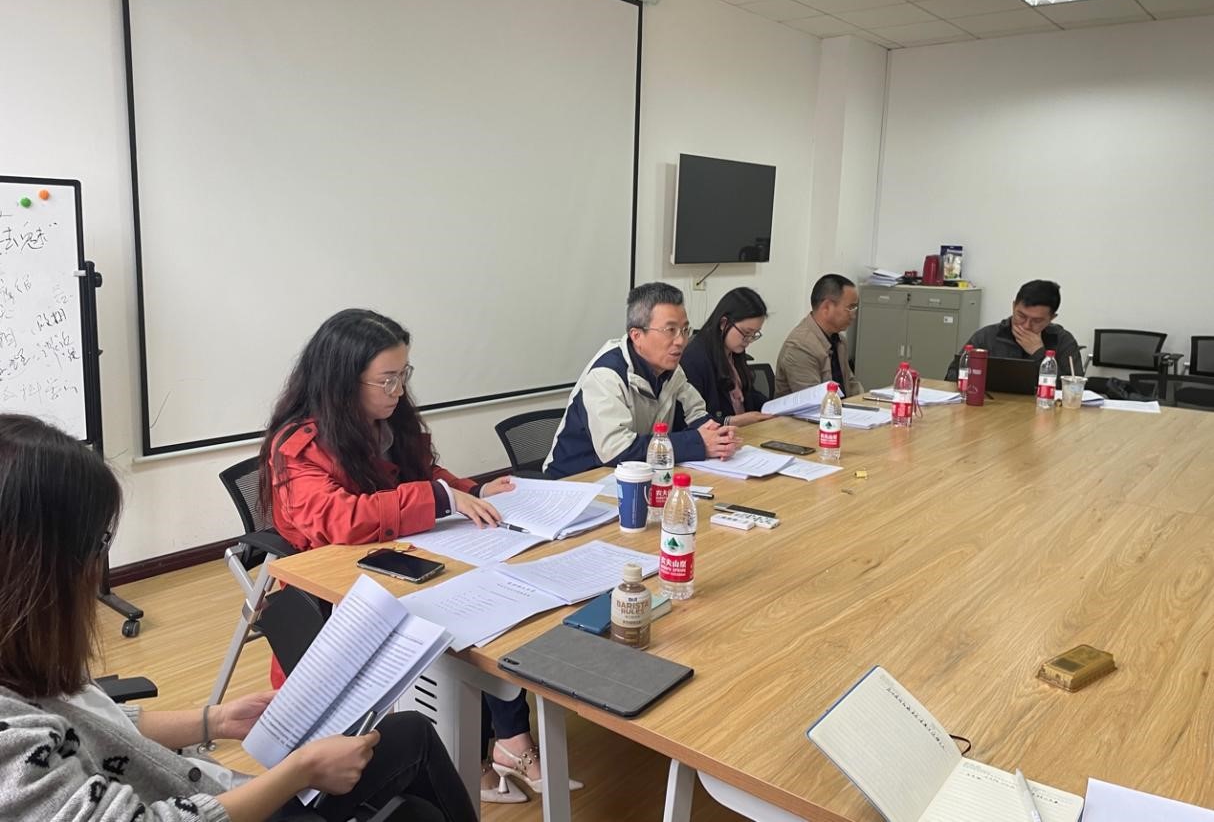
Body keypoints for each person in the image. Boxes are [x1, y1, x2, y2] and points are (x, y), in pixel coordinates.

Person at [0, 413, 477, 822]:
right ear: (31, 563)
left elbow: (93, 722)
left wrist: (217, 719)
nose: (394, 390)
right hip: (204, 807)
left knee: (410, 745)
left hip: (199, 787)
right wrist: (300, 772)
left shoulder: (18, 658)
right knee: (414, 792)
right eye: (98, 543)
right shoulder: (305, 443)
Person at [260, 309, 570, 805]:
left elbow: (424, 473)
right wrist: (440, 498)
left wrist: (471, 490)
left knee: (494, 612)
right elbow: (341, 518)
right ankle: (464, 753)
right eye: (386, 379)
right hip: (336, 604)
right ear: (342, 380)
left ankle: (499, 741)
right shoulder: (300, 445)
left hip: (402, 570)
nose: (398, 389)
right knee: (461, 629)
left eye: (403, 374)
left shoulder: (387, 421)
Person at [544, 282, 737, 478]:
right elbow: (617, 450)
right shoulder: (606, 375)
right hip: (577, 480)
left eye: (685, 330)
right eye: (670, 330)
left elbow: (695, 414)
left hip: (632, 475)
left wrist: (716, 435)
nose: (681, 341)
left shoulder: (670, 369)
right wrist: (698, 443)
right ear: (636, 335)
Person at [946, 279, 1084, 379]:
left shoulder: (1063, 340)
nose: (1026, 325)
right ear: (1013, 306)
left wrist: (1039, 354)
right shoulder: (987, 336)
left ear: (1052, 318)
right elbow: (952, 375)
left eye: (1037, 320)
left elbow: (1074, 388)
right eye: (1021, 316)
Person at [680, 287, 775, 428]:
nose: (748, 340)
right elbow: (693, 421)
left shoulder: (735, 351)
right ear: (724, 323)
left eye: (754, 334)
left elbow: (749, 395)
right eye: (746, 333)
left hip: (746, 432)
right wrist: (732, 421)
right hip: (718, 436)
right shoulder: (694, 359)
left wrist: (776, 407)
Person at [774, 274, 863, 398]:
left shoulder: (839, 341)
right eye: (851, 307)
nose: (853, 315)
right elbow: (813, 401)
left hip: (839, 408)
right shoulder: (800, 346)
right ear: (827, 307)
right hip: (814, 409)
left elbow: (851, 385)